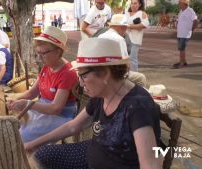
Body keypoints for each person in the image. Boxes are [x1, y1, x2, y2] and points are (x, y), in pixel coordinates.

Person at [24, 38, 161, 169]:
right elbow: (73, 126)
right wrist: (33, 144)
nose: (81, 83)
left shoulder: (138, 106)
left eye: (84, 76)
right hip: (94, 152)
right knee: (42, 154)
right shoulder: (101, 94)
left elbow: (150, 164)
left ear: (105, 73)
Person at [7, 26, 78, 143]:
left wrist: (28, 105)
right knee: (15, 124)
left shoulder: (67, 73)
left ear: (58, 51)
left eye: (43, 53)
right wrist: (15, 99)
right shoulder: (47, 67)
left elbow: (55, 108)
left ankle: (35, 157)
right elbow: (32, 92)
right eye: (38, 53)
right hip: (43, 108)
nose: (39, 57)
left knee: (23, 135)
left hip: (61, 115)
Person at [172, 0, 198, 69]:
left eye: (180, 3)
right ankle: (183, 61)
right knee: (181, 48)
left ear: (184, 4)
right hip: (180, 33)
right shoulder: (181, 11)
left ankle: (181, 63)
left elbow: (195, 21)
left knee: (181, 48)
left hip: (185, 34)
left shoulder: (190, 11)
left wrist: (191, 29)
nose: (178, 4)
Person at [125, 0, 149, 72]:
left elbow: (145, 25)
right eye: (132, 3)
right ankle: (126, 76)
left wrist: (130, 26)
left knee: (132, 59)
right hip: (125, 39)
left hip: (135, 40)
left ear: (140, 5)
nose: (133, 5)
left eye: (135, 3)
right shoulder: (127, 13)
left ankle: (135, 77)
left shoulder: (142, 13)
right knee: (124, 59)